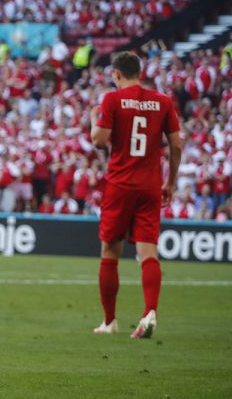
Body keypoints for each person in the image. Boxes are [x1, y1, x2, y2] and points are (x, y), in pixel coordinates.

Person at [89, 51, 183, 339]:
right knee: (148, 254)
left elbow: (99, 140)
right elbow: (177, 144)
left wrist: (94, 119)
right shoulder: (163, 101)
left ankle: (109, 321)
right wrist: (170, 182)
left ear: (116, 74)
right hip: (150, 186)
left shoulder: (112, 100)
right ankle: (149, 312)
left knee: (110, 253)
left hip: (120, 185)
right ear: (139, 72)